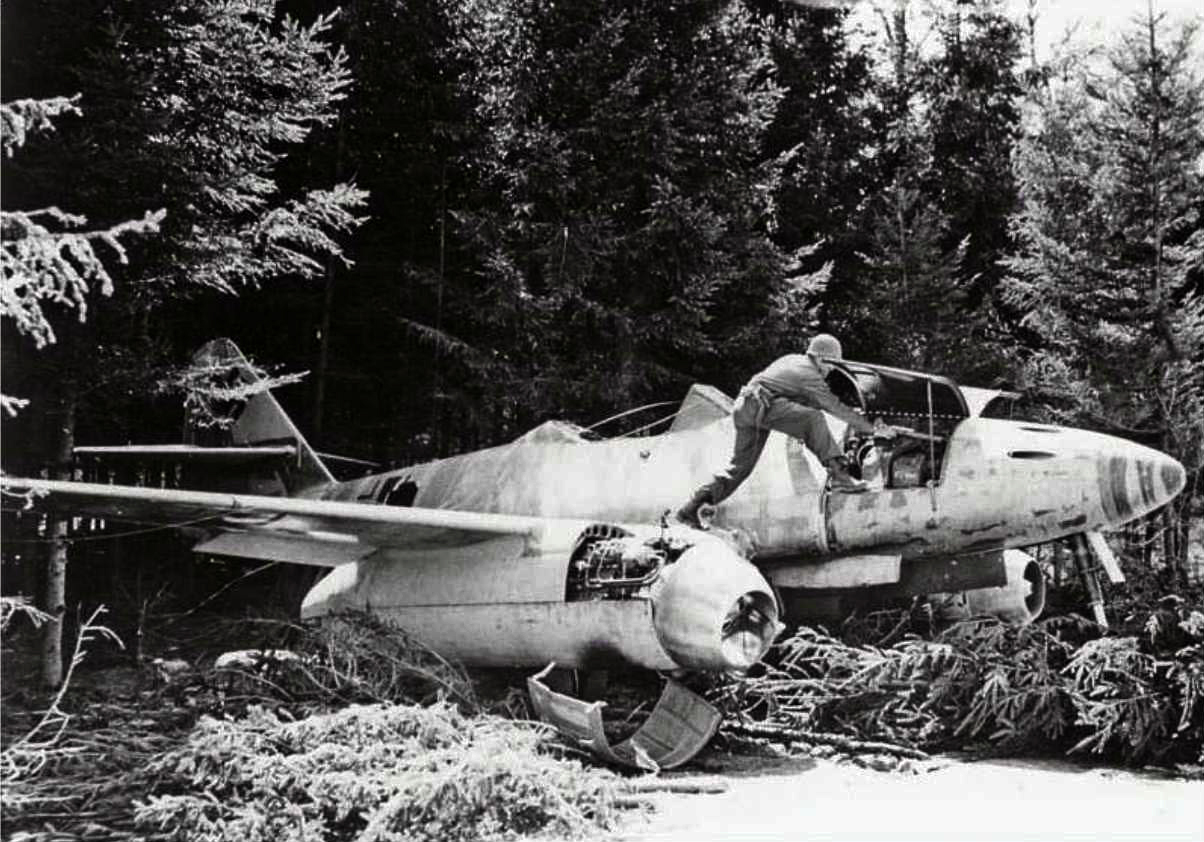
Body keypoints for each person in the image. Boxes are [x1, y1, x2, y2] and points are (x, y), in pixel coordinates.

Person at [675, 333, 894, 528]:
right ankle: (840, 478)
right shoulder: (809, 374)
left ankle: (690, 509)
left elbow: (801, 399)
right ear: (820, 358)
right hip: (761, 407)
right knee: (813, 419)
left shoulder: (792, 360)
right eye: (830, 365)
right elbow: (831, 406)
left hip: (746, 408)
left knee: (738, 470)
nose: (830, 371)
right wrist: (872, 429)